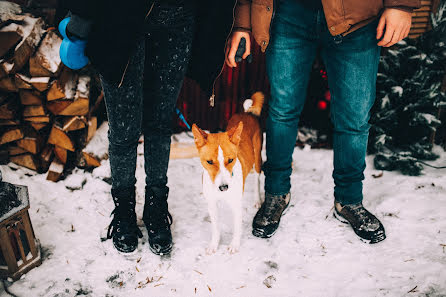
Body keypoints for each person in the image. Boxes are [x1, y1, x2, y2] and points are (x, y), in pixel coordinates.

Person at [226, 0, 420, 243]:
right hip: (287, 13)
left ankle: (349, 199)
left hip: (357, 15)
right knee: (282, 111)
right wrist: (242, 23)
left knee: (354, 118)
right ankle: (276, 192)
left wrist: (401, 5)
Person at [61, 0, 237, 255]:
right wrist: (81, 13)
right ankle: (123, 209)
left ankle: (156, 207)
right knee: (123, 128)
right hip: (119, 18)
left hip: (178, 20)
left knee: (160, 123)